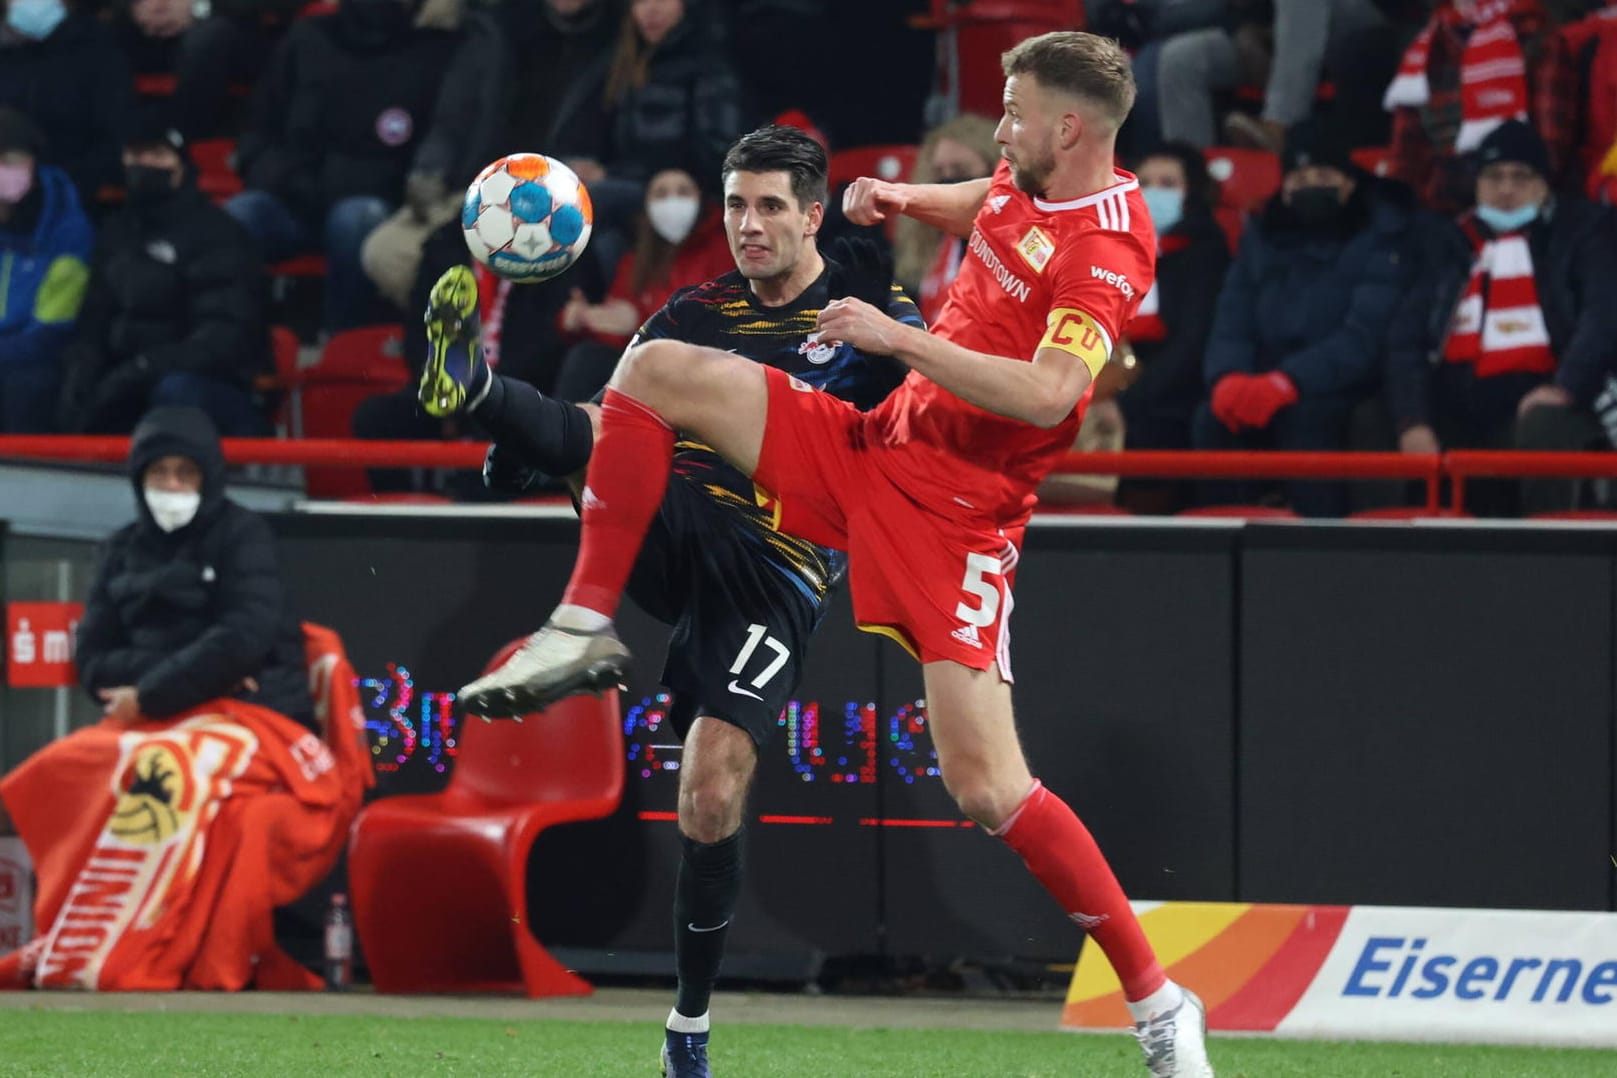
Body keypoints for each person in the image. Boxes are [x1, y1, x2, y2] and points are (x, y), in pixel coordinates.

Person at [455, 33, 1213, 1078]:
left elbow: (1049, 395)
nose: (999, 129)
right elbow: (993, 206)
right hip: (878, 446)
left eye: (1012, 112)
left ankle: (1162, 1000)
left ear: (1068, 127)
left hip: (961, 514)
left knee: (988, 788)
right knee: (658, 366)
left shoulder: (1111, 252)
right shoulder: (1037, 180)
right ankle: (582, 622)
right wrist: (902, 198)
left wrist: (900, 339)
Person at [417, 124, 917, 1078]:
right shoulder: (693, 311)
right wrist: (532, 440)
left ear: (814, 215)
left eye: (770, 206)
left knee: (710, 784)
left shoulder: (870, 318)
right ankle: (475, 386)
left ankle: (687, 1026)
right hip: (675, 529)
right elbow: (609, 415)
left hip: (779, 565)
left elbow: (934, 422)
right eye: (736, 205)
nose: (748, 224)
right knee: (607, 420)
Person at [0, 406, 372, 992]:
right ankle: (76, 936)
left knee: (167, 772)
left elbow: (244, 638)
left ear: (207, 478)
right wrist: (175, 682)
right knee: (59, 769)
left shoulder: (244, 536)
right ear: (139, 480)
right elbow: (93, 659)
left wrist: (149, 689)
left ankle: (134, 947)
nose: (172, 487)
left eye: (185, 474)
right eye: (160, 474)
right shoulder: (118, 548)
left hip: (256, 719)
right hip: (152, 714)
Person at [1388, 120, 1617, 515]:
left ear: (1544, 184)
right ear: (1476, 185)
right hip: (1456, 400)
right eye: (1494, 177)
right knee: (1374, 418)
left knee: (1544, 422)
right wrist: (1412, 420)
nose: (1506, 189)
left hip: (1547, 397)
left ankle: (1558, 559)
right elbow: (1405, 338)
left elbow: (1603, 317)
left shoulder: (1582, 232)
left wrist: (1564, 388)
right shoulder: (1450, 242)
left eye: (1521, 177)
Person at [1192, 120, 1414, 517]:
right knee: (1214, 417)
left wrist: (1288, 382)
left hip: (1340, 386)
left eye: (1323, 175)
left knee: (1308, 420)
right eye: (1300, 176)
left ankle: (1317, 548)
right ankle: (1218, 540)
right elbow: (1232, 317)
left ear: (1348, 183)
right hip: (1264, 378)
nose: (1310, 185)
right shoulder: (1264, 235)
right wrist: (1228, 377)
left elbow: (1364, 336)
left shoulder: (1381, 237)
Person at [226, 0, 465, 329]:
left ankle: (341, 344)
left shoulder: (434, 54)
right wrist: (290, 180)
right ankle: (244, 339)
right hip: (293, 201)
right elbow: (256, 136)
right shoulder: (306, 38)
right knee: (241, 214)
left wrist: (341, 183)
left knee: (355, 218)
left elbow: (426, 159)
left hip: (376, 205)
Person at [57, 115, 271, 436]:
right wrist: (83, 366)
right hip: (127, 376)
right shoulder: (116, 231)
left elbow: (223, 337)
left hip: (208, 385)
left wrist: (142, 368)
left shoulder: (219, 234)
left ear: (181, 164)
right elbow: (95, 315)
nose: (144, 165)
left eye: (157, 155)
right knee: (53, 385)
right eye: (136, 155)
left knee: (175, 391)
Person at [551, 165, 735, 402]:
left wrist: (639, 321)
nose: (673, 203)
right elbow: (621, 323)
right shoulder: (635, 261)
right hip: (648, 364)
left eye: (683, 192)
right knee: (587, 359)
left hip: (704, 365)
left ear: (700, 198)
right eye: (661, 194)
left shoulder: (724, 249)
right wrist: (583, 320)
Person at [0, 107, 91, 433]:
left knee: (26, 385)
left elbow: (51, 329)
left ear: (34, 165)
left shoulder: (67, 230)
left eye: (11, 159)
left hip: (34, 361)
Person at [0, 0, 133, 204]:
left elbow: (113, 136)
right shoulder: (8, 53)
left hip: (78, 198)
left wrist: (58, 187)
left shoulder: (97, 48)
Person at [892, 113, 1000, 326]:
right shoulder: (930, 240)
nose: (948, 179)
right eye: (940, 171)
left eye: (960, 170)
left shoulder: (1003, 246)